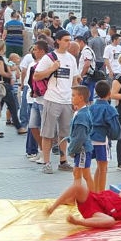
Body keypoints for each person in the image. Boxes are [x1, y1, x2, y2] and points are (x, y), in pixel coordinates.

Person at [34, 30, 81, 174]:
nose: (69, 43)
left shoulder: (71, 59)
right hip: (52, 99)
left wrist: (75, 98)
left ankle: (63, 160)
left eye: (69, 40)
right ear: (58, 40)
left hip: (67, 100)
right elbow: (36, 76)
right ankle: (47, 162)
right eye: (66, 40)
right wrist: (52, 69)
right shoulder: (49, 58)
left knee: (64, 133)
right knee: (48, 133)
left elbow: (74, 79)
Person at [46, 184, 121, 228]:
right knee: (78, 186)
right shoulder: (110, 193)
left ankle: (78, 222)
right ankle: (53, 208)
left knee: (110, 221)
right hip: (89, 200)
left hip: (96, 214)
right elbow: (94, 194)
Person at [68, 85, 95, 191]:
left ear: (81, 98)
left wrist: (72, 149)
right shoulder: (80, 112)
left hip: (82, 148)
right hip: (81, 147)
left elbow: (80, 137)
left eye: (73, 95)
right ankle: (75, 196)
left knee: (85, 174)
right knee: (78, 173)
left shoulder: (81, 115)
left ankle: (94, 197)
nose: (71, 98)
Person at [0, 40, 26, 134]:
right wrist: (9, 74)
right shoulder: (0, 59)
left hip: (2, 86)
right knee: (13, 107)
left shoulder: (1, 58)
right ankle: (19, 127)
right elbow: (1, 72)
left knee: (0, 107)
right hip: (5, 86)